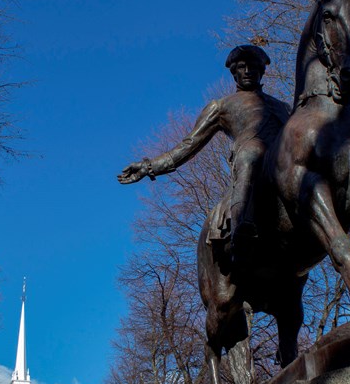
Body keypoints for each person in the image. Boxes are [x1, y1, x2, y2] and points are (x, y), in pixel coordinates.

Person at [117, 45, 289, 256]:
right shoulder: (220, 106)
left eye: (253, 67)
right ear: (233, 72)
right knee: (252, 152)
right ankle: (241, 224)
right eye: (241, 67)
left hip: (284, 163)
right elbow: (189, 144)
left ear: (262, 71)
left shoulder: (283, 107)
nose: (247, 71)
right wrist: (149, 167)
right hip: (249, 161)